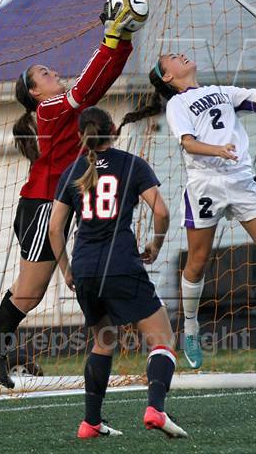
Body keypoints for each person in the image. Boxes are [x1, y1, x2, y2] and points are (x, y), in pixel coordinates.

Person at [0, 0, 136, 402]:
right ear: (35, 93)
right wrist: (111, 34)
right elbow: (88, 87)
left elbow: (99, 83)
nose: (52, 72)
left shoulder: (57, 107)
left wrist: (122, 40)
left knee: (25, 290)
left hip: (44, 205)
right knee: (30, 294)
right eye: (44, 73)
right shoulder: (51, 108)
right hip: (42, 208)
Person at [116, 49, 256, 368]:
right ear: (168, 76)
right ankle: (190, 326)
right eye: (173, 58)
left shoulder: (221, 91)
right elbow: (188, 143)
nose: (182, 56)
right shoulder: (177, 104)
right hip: (205, 184)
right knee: (199, 260)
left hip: (240, 179)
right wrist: (218, 149)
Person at [49, 106, 188, 439]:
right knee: (163, 339)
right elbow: (162, 212)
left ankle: (90, 423)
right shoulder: (131, 164)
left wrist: (67, 270)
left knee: (104, 339)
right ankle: (156, 408)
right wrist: (155, 245)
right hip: (121, 264)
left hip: (84, 267)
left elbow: (55, 229)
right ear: (113, 129)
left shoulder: (71, 171)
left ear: (81, 135)